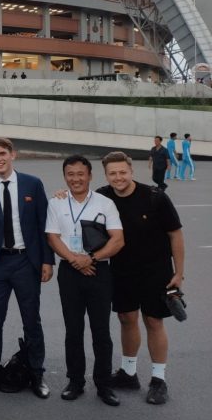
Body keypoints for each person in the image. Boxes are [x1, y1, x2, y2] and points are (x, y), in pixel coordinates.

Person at [98, 151, 185, 405]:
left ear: (132, 171)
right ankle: (128, 372)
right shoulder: (102, 197)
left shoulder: (155, 197)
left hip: (156, 270)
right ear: (106, 175)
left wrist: (179, 273)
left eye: (122, 172)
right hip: (121, 269)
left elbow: (175, 235)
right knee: (126, 318)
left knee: (153, 321)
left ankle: (158, 379)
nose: (118, 177)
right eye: (112, 173)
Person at [0, 137, 53, 399]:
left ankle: (36, 373)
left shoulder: (32, 183)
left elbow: (44, 225)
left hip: (26, 262)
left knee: (32, 320)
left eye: (2, 154)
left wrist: (46, 261)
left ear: (12, 155)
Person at [45, 155, 125, 405]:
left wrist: (91, 258)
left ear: (90, 175)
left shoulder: (105, 203)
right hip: (70, 272)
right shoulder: (56, 202)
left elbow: (117, 239)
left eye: (81, 174)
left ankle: (104, 384)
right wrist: (74, 259)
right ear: (65, 176)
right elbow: (53, 237)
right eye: (70, 174)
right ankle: (75, 381)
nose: (76, 178)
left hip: (99, 272)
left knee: (101, 331)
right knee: (73, 330)